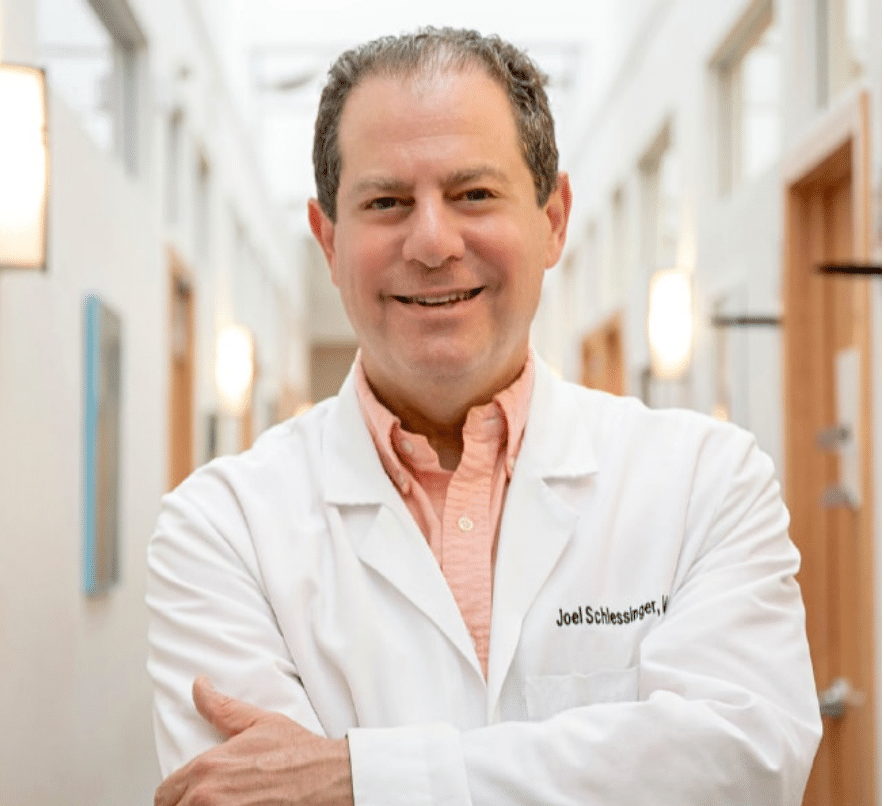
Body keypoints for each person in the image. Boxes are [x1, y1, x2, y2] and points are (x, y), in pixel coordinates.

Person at [148, 27, 821, 806]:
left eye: (474, 194)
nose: (432, 242)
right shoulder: (218, 529)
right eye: (386, 202)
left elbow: (742, 766)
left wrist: (358, 779)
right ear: (328, 241)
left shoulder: (708, 481)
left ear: (554, 220)